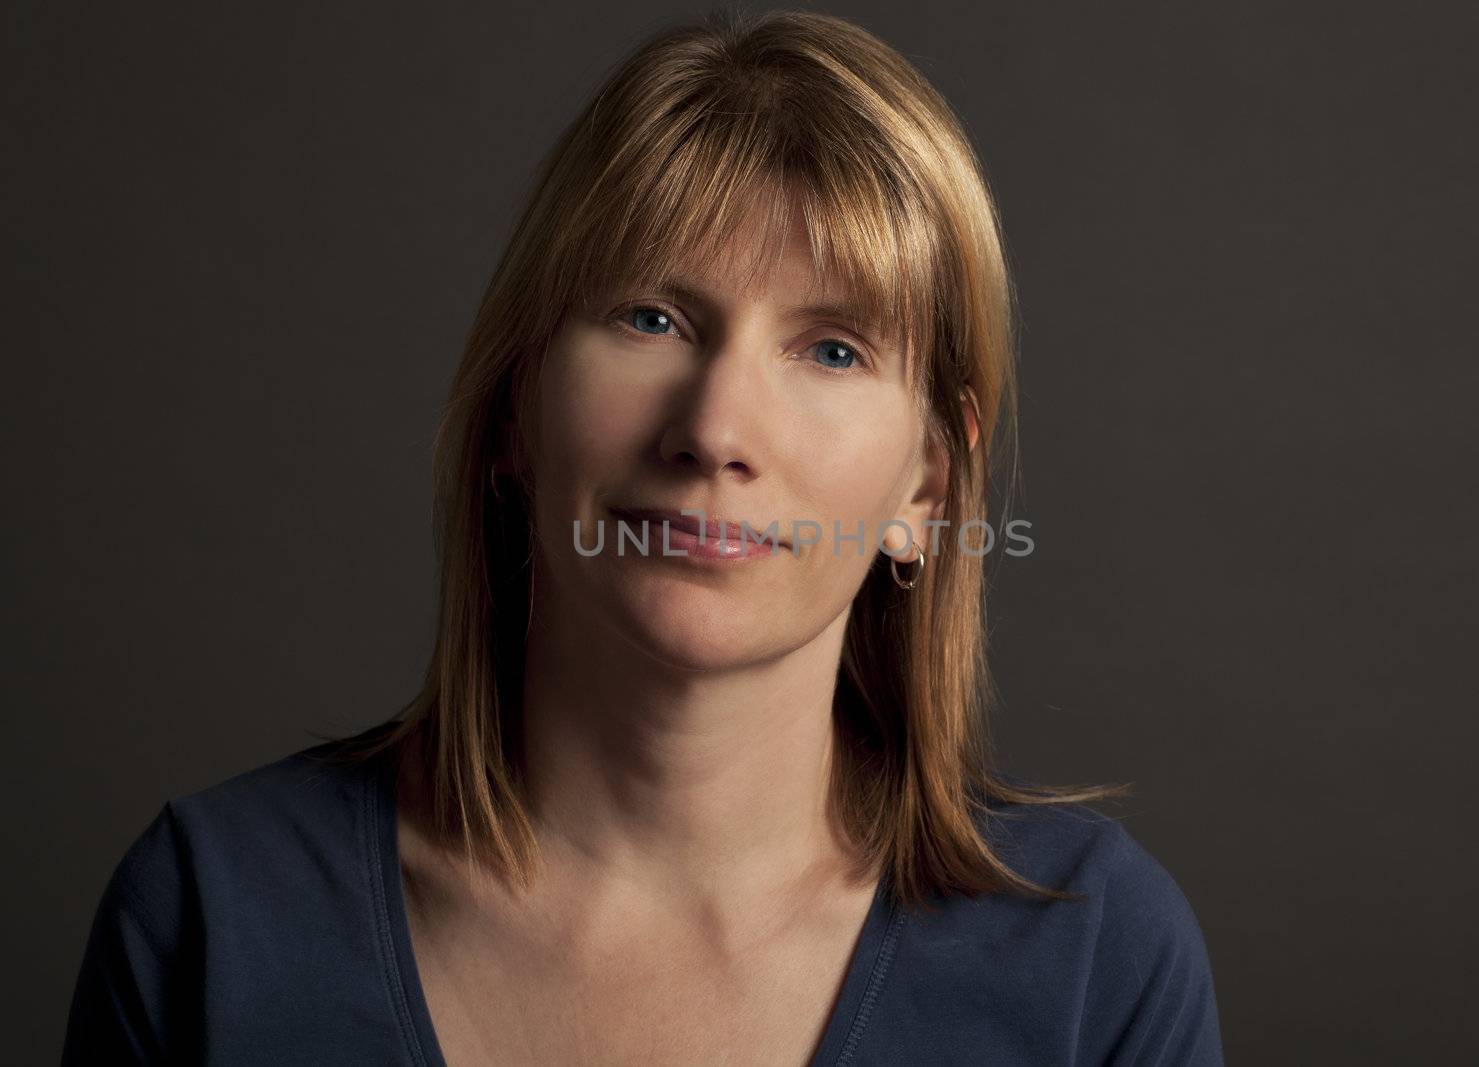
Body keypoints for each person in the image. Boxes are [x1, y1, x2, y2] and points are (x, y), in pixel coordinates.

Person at [62, 7, 1224, 1064]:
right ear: (516, 403)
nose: (716, 428)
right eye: (651, 317)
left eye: (831, 348)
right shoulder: (210, 917)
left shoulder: (1096, 957)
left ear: (928, 486)